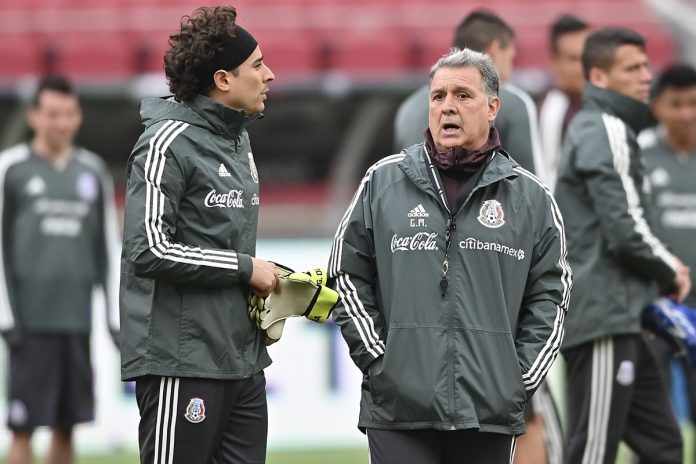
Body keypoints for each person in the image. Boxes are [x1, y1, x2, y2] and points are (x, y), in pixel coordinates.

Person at [329, 47, 570, 464]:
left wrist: (517, 378)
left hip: (488, 410)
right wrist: (379, 361)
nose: (447, 107)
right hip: (399, 409)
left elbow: (553, 292)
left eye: (462, 95)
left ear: (493, 107)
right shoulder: (382, 182)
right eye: (438, 96)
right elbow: (345, 273)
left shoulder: (531, 198)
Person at [394, 11, 563, 463]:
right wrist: (522, 371)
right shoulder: (518, 104)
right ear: (497, 51)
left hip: (418, 339)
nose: (447, 107)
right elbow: (542, 200)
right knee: (536, 420)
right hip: (495, 317)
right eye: (510, 53)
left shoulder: (408, 106)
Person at [119, 6, 279, 464]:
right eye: (257, 65)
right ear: (224, 79)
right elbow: (147, 249)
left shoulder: (239, 140)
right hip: (181, 361)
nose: (270, 75)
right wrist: (244, 268)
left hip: (242, 362)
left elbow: (221, 246)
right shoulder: (165, 142)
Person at [553, 27, 692, 464]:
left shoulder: (605, 128)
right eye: (632, 68)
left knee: (664, 447)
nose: (646, 76)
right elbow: (624, 225)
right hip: (603, 320)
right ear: (597, 77)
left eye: (646, 66)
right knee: (593, 452)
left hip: (625, 318)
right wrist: (670, 268)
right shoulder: (605, 128)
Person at [0, 75, 120, 464]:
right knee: (23, 426)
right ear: (35, 116)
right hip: (29, 323)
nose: (61, 122)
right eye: (52, 114)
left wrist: (113, 316)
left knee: (68, 426)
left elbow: (106, 246)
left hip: (76, 321)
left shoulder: (92, 171)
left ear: (78, 116)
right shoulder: (11, 169)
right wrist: (5, 314)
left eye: (68, 114)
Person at [394, 10, 548, 185]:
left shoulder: (408, 107)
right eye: (511, 57)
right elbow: (532, 187)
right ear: (495, 50)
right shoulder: (513, 102)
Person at [640, 63, 696, 463]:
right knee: (657, 426)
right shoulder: (639, 152)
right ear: (657, 105)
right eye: (676, 103)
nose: (686, 113)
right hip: (657, 312)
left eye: (694, 103)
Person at [539, 14, 589, 190]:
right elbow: (549, 179)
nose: (583, 67)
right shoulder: (553, 112)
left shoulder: (600, 102)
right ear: (555, 60)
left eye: (587, 57)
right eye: (573, 59)